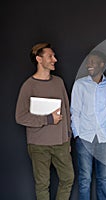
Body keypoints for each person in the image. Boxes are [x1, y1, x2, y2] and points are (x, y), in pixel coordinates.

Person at [15, 42, 74, 200]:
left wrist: (68, 138)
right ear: (39, 59)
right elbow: (20, 116)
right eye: (50, 56)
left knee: (68, 178)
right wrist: (48, 119)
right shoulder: (28, 86)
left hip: (61, 143)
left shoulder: (59, 82)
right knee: (42, 184)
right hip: (38, 145)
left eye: (54, 56)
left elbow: (67, 111)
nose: (55, 59)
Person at [70, 50, 106, 200]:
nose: (88, 65)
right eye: (88, 62)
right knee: (85, 179)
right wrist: (77, 134)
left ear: (101, 64)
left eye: (92, 62)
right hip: (85, 137)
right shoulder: (80, 84)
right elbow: (75, 111)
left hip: (105, 138)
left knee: (103, 179)